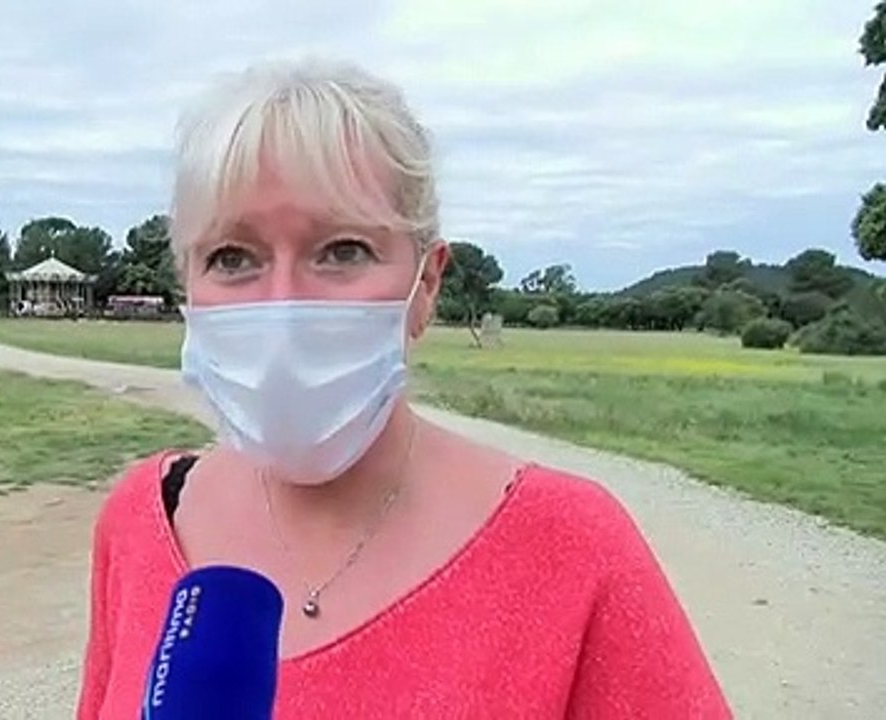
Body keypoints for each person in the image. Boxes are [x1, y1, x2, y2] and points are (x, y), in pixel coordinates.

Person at [75, 57, 732, 719]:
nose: (283, 306)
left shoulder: (573, 550)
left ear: (427, 285)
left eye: (343, 250)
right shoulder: (139, 521)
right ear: (187, 281)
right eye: (232, 257)